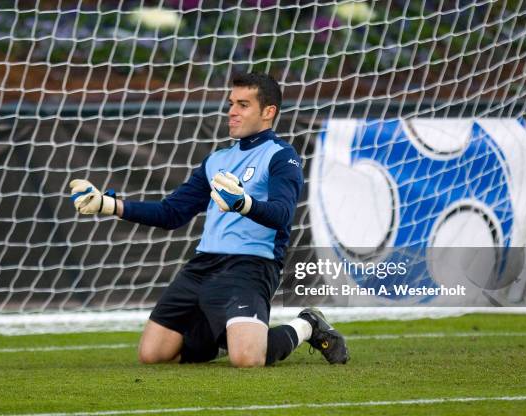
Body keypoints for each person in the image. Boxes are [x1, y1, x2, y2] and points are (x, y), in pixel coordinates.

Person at [69, 72, 349, 367]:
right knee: (152, 355)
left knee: (247, 359)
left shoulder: (282, 156)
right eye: (231, 103)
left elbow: (282, 215)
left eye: (243, 104)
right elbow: (171, 213)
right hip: (203, 266)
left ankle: (306, 324)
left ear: (268, 113)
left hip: (251, 266)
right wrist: (108, 204)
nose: (232, 111)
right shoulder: (216, 160)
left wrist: (244, 204)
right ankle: (229, 335)